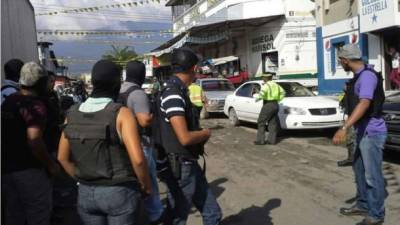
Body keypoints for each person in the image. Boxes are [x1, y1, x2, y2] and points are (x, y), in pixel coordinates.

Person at [57, 60, 152, 225]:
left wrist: (83, 179)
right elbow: (137, 159)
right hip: (119, 191)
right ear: (117, 83)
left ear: (93, 82)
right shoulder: (121, 113)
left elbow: (62, 158)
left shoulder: (71, 114)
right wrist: (145, 185)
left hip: (86, 193)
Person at [156, 47, 222, 225]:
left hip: (187, 162)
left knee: (212, 212)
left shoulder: (177, 90)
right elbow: (184, 137)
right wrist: (204, 133)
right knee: (177, 218)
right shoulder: (173, 94)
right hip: (181, 166)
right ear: (193, 68)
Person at [333, 44, 387, 225]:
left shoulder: (367, 77)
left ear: (346, 60)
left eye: (340, 61)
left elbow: (364, 104)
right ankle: (363, 204)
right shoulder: (358, 77)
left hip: (372, 133)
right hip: (362, 132)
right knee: (359, 171)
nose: (340, 64)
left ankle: (376, 214)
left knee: (373, 176)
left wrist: (344, 128)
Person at [1, 62, 60, 225]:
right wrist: (50, 165)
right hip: (30, 170)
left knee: (14, 214)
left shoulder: (9, 101)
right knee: (38, 214)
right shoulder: (35, 105)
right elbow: (34, 141)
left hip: (7, 170)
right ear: (40, 82)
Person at [118, 60, 164, 224]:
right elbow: (144, 121)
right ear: (142, 75)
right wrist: (155, 114)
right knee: (149, 178)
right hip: (141, 143)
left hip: (123, 143)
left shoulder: (120, 89)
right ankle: (155, 214)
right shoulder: (137, 93)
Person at [254, 73, 285, 145]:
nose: (262, 79)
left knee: (261, 122)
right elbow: (283, 92)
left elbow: (262, 95)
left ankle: (260, 141)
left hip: (268, 104)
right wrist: (278, 99)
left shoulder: (266, 85)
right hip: (275, 104)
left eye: (263, 77)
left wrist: (257, 98)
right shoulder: (276, 85)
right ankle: (272, 141)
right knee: (272, 123)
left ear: (266, 78)